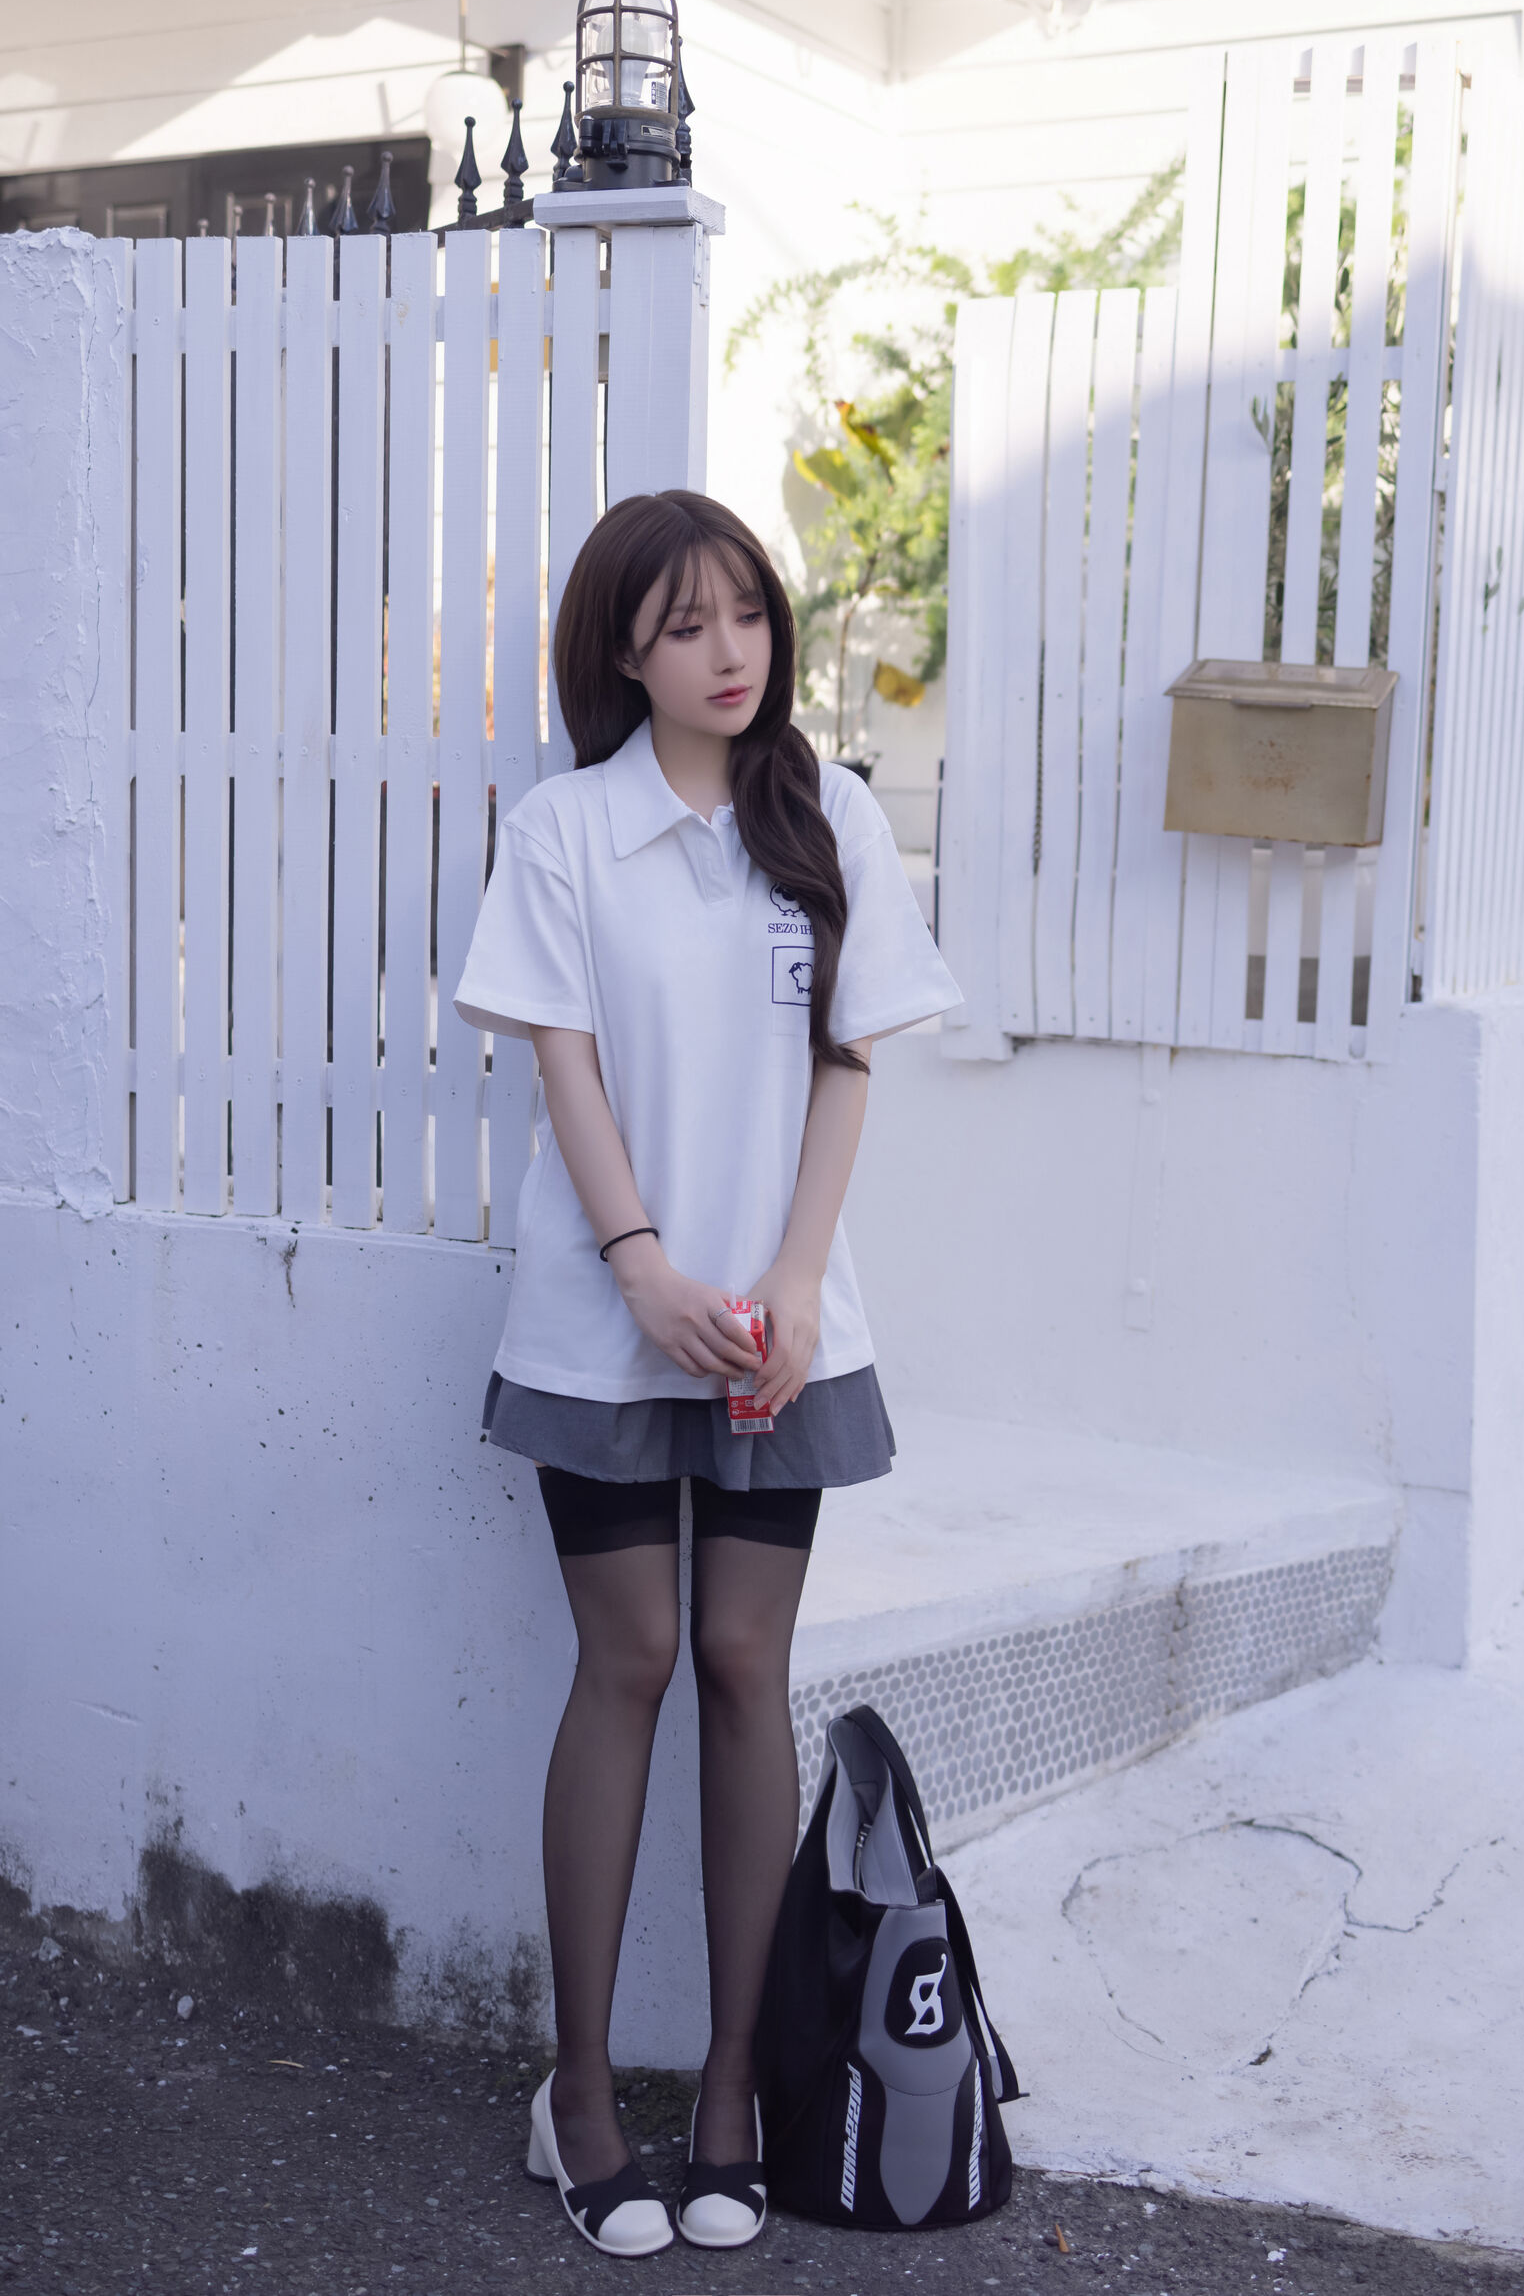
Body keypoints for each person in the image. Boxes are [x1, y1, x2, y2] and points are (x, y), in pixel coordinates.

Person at [453, 489, 960, 2258]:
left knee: (748, 1664)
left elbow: (850, 1064)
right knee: (635, 1661)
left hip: (776, 1326)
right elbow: (565, 1069)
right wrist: (642, 1267)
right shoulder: (565, 833)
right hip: (613, 1320)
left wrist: (796, 1279)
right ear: (623, 649)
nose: (729, 651)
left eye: (747, 613)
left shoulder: (832, 816)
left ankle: (732, 2093)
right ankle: (582, 2096)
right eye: (685, 626)